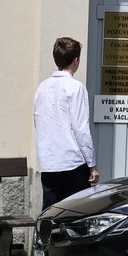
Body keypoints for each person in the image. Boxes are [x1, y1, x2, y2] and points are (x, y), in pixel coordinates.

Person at [33, 37, 98, 209]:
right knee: (77, 215)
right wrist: (92, 165)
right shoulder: (75, 87)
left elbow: (38, 121)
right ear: (76, 60)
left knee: (50, 214)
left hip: (49, 162)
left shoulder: (42, 87)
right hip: (72, 162)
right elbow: (81, 128)